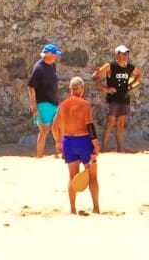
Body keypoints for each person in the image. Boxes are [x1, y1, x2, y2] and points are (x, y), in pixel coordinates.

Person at [51, 76, 100, 215]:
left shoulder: (63, 105)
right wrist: (96, 144)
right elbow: (90, 126)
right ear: (82, 89)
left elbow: (54, 127)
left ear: (70, 89)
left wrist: (58, 142)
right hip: (83, 141)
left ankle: (72, 209)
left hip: (68, 142)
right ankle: (96, 207)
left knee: (72, 176)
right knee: (92, 176)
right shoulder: (85, 105)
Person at [92, 44, 143, 152]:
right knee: (110, 123)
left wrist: (131, 85)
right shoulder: (110, 66)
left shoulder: (130, 67)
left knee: (120, 124)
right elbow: (95, 76)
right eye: (121, 53)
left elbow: (139, 75)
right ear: (116, 55)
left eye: (126, 53)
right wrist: (105, 88)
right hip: (112, 99)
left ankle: (120, 149)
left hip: (124, 98)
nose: (124, 56)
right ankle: (104, 148)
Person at [26, 43, 61, 158]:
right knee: (44, 131)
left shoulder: (52, 65)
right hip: (43, 103)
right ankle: (39, 156)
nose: (56, 57)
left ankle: (60, 153)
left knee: (57, 127)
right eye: (55, 55)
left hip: (53, 102)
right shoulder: (38, 68)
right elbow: (31, 87)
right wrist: (33, 106)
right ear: (48, 55)